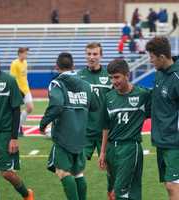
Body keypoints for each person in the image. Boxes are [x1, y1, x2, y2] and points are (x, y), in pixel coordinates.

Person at [39, 52, 99, 200]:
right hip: (80, 136)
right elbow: (95, 106)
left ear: (56, 67)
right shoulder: (86, 85)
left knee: (63, 172)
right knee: (78, 173)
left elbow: (57, 105)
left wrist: (43, 123)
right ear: (73, 66)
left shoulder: (57, 83)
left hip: (64, 135)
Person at [0, 49, 34, 200]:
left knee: (6, 173)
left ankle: (26, 193)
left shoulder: (9, 80)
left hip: (4, 135)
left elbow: (16, 110)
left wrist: (14, 138)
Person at [99, 59, 151, 200]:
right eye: (111, 78)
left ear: (127, 75)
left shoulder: (143, 95)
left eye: (117, 77)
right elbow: (105, 126)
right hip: (111, 149)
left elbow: (160, 112)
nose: (114, 81)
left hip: (130, 148)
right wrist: (103, 152)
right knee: (122, 191)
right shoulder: (108, 97)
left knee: (120, 191)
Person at [77, 42, 112, 199]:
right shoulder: (79, 77)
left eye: (95, 54)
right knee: (76, 169)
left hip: (106, 132)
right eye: (89, 54)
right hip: (84, 132)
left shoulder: (109, 76)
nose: (91, 57)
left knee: (112, 171)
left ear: (101, 56)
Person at [146, 36, 179, 200]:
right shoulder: (159, 74)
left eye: (151, 57)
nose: (150, 61)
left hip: (175, 142)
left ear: (162, 57)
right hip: (162, 140)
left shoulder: (177, 77)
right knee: (169, 185)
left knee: (173, 186)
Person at [10, 47, 34, 135]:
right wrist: (17, 90)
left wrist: (27, 87)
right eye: (25, 53)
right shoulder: (14, 63)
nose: (26, 55)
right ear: (20, 53)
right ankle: (18, 129)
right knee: (17, 111)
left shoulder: (25, 62)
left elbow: (24, 77)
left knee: (30, 108)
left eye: (27, 53)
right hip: (18, 90)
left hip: (26, 89)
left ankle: (18, 125)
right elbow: (13, 78)